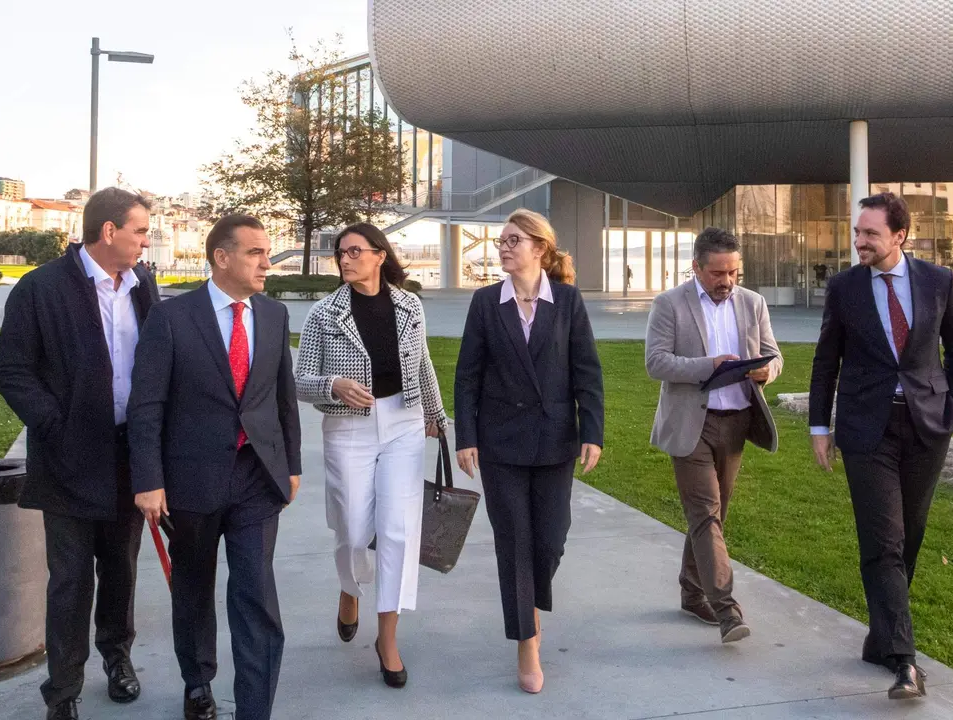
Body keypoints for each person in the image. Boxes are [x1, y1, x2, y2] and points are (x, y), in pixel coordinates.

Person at [0, 188, 159, 720]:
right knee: (68, 581)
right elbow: (10, 368)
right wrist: (55, 424)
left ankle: (118, 658)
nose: (145, 241)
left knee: (121, 570)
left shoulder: (143, 286)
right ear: (109, 232)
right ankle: (62, 691)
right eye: (139, 231)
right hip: (67, 458)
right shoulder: (41, 288)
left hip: (129, 455)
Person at [128, 214, 302, 720]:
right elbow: (146, 405)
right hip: (191, 479)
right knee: (194, 587)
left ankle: (255, 708)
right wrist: (149, 480)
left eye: (267, 252)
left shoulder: (272, 315)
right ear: (221, 258)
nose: (267, 262)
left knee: (255, 593)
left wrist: (291, 464)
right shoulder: (172, 318)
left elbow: (282, 397)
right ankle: (198, 681)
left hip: (256, 477)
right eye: (255, 253)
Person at [809, 192, 953, 701]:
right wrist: (819, 426)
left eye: (869, 234)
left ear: (899, 236)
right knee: (883, 541)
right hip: (865, 429)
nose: (859, 242)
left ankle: (881, 638)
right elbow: (825, 360)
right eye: (857, 233)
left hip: (926, 426)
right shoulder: (845, 288)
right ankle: (905, 662)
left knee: (910, 538)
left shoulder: (938, 281)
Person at [454, 209, 604, 694]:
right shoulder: (484, 303)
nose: (503, 248)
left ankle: (530, 606)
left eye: (513, 240)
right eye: (501, 241)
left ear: (540, 248)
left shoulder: (567, 300)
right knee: (514, 542)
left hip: (555, 439)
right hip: (500, 444)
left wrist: (592, 431)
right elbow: (467, 375)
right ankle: (527, 640)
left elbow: (587, 370)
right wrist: (467, 437)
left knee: (551, 538)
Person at [294, 222, 448, 689]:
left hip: (402, 423)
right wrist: (333, 385)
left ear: (380, 255)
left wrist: (438, 418)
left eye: (355, 251)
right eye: (340, 253)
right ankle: (348, 588)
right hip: (348, 427)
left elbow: (421, 362)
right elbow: (300, 379)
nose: (345, 259)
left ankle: (388, 637)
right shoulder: (325, 313)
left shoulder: (408, 305)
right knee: (353, 527)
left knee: (398, 530)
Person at [644, 226, 783, 644]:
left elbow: (774, 354)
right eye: (718, 274)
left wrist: (767, 370)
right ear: (696, 268)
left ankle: (691, 591)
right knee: (705, 513)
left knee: (713, 516)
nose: (727, 282)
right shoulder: (670, 304)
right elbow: (656, 363)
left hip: (738, 421)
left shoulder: (753, 303)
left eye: (734, 273)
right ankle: (726, 609)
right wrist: (710, 366)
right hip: (692, 426)